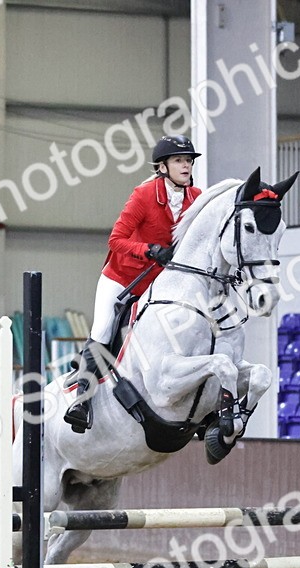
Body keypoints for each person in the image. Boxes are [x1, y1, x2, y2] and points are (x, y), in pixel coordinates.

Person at [64, 134, 204, 432]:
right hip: (123, 279)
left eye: (189, 160)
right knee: (102, 330)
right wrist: (148, 250)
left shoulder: (196, 198)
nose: (186, 165)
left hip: (160, 285)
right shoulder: (143, 195)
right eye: (180, 160)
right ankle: (81, 402)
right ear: (162, 167)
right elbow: (115, 240)